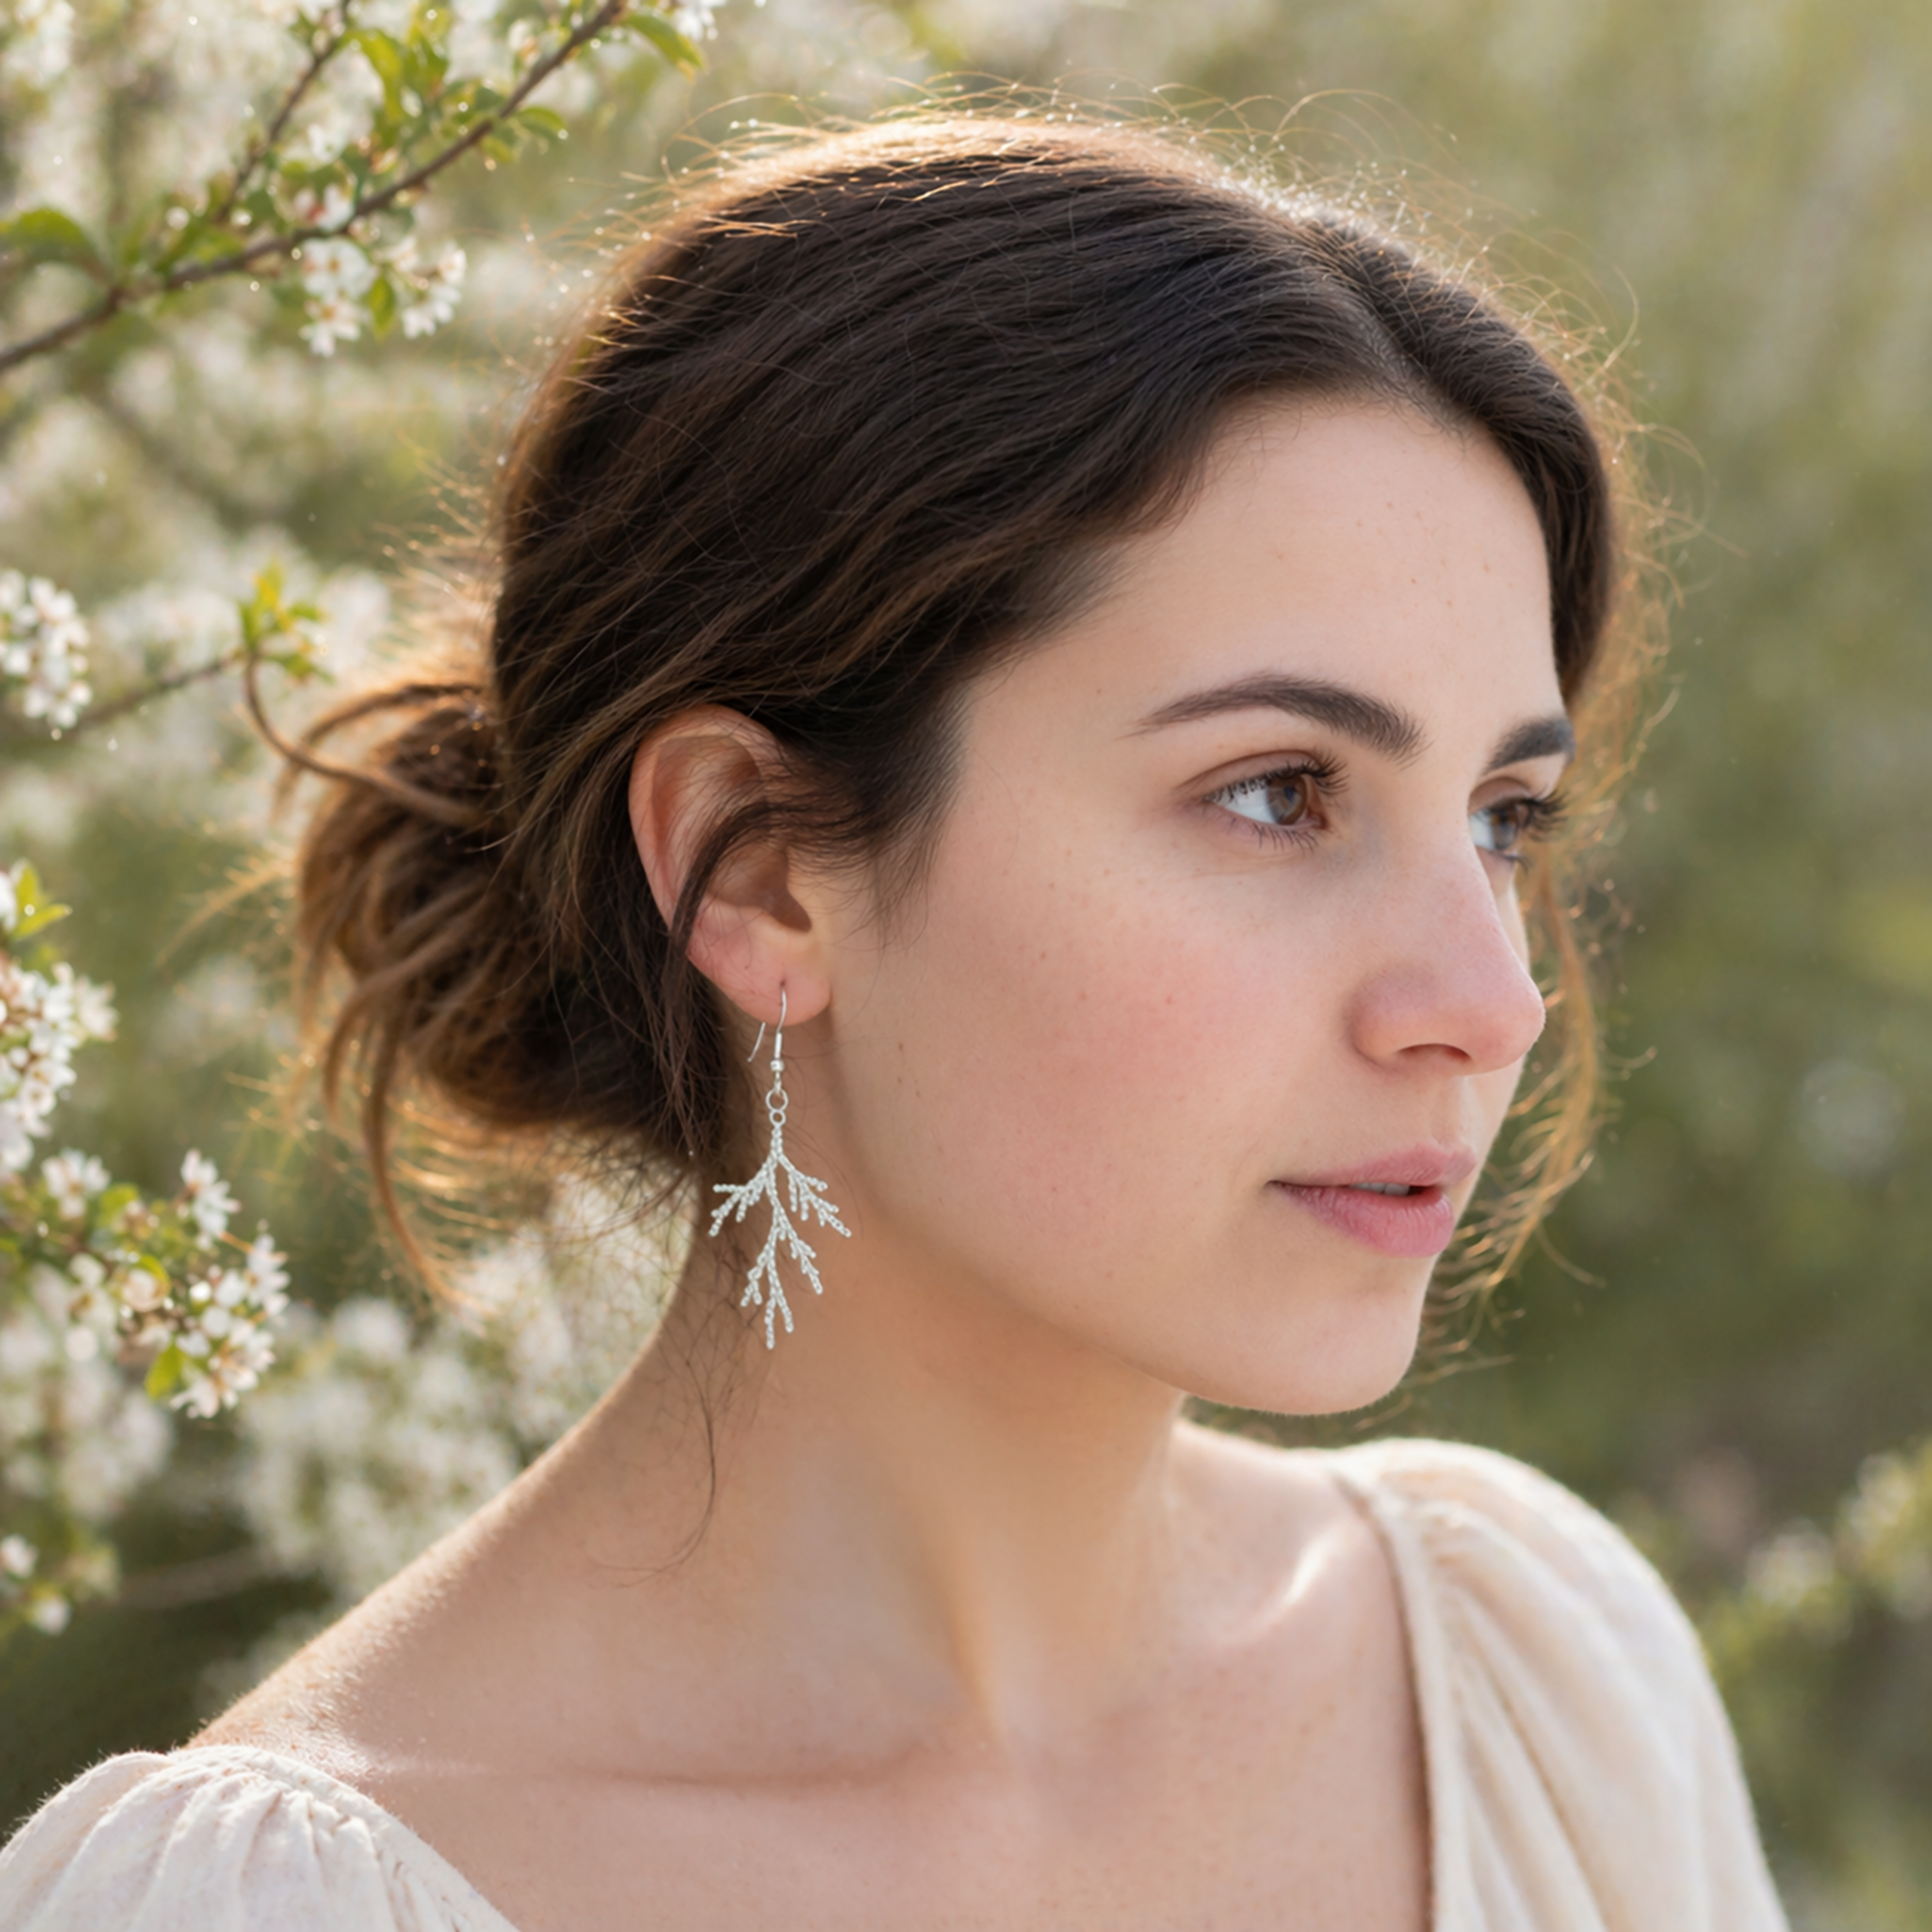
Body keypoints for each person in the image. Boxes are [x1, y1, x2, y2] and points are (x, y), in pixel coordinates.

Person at [0, 114, 1787, 1930]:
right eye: (1277, 795)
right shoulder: (259, 1907)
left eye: (1504, 820)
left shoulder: (1530, 1692)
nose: (1490, 1004)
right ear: (756, 868)